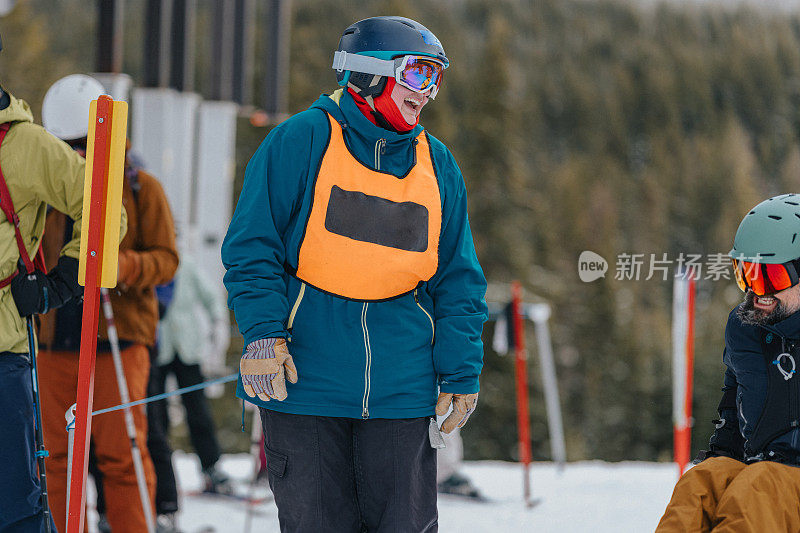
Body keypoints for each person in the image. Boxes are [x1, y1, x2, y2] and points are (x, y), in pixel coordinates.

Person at [222, 16, 488, 531]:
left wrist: (460, 371)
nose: (427, 93)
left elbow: (458, 278)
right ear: (369, 73)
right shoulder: (301, 141)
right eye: (417, 74)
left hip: (401, 392)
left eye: (435, 78)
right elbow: (252, 248)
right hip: (305, 386)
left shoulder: (437, 164)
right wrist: (261, 337)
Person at [36, 74, 179, 533]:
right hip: (57, 337)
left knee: (121, 452)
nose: (76, 156)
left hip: (119, 336)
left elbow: (167, 259)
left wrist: (121, 265)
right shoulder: (47, 189)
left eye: (84, 145)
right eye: (66, 146)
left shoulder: (141, 189)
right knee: (55, 456)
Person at [0, 58, 113, 533]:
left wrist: (65, 279)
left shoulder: (25, 145)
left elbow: (104, 208)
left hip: (4, 349)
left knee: (16, 503)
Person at [656, 194, 800, 532]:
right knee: (698, 487)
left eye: (772, 277)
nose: (756, 291)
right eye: (746, 274)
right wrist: (721, 458)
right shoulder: (743, 328)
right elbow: (735, 409)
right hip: (760, 469)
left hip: (778, 483)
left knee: (759, 489)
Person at [153, 253, 232, 495]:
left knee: (198, 410)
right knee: (157, 413)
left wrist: (218, 322)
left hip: (187, 347)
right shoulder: (150, 265)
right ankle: (160, 473)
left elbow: (211, 297)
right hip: (156, 346)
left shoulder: (186, 266)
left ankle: (211, 467)